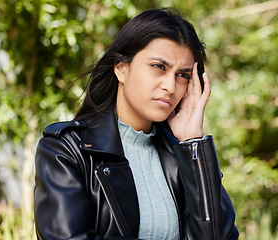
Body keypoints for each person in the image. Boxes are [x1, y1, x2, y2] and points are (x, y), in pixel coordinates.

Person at [34, 8, 239, 240]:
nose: (170, 87)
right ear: (121, 68)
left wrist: (193, 142)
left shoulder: (184, 156)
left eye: (182, 75)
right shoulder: (66, 149)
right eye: (159, 67)